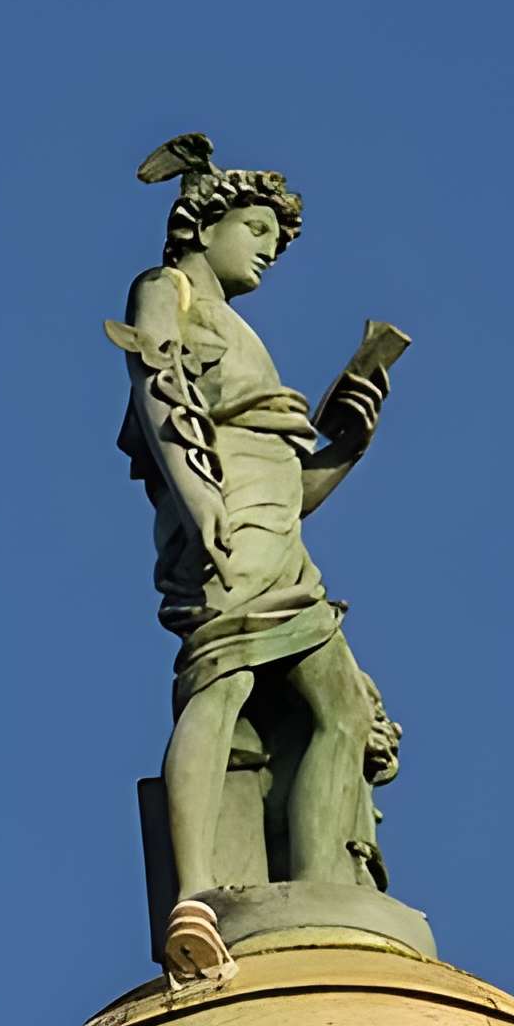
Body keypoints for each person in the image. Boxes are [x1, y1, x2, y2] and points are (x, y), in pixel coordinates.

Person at [108, 135, 394, 981]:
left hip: (280, 538)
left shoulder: (239, 329)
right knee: (222, 681)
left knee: (341, 711)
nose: (269, 247)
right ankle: (196, 896)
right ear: (207, 220)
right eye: (258, 227)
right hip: (227, 524)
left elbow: (293, 488)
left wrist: (350, 443)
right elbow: (159, 388)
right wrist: (201, 506)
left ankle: (317, 888)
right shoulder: (167, 290)